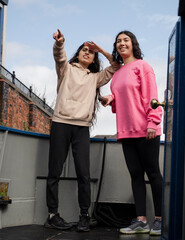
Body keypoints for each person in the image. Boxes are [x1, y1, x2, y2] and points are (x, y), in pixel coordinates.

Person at [44, 29, 119, 232]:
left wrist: (100, 49)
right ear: (78, 54)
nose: (87, 52)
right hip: (61, 123)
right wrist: (60, 43)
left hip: (82, 129)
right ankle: (52, 215)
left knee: (83, 174)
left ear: (94, 58)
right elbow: (59, 56)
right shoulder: (66, 69)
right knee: (54, 172)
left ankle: (84, 216)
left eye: (90, 51)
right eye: (84, 50)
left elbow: (116, 65)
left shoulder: (95, 78)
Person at [100, 30, 163, 236]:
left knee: (153, 174)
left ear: (133, 44)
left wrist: (153, 121)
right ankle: (141, 220)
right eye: (118, 41)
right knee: (136, 175)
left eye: (125, 40)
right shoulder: (117, 74)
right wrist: (111, 99)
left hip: (146, 129)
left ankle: (160, 220)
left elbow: (151, 95)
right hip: (126, 131)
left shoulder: (143, 66)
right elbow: (125, 99)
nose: (121, 43)